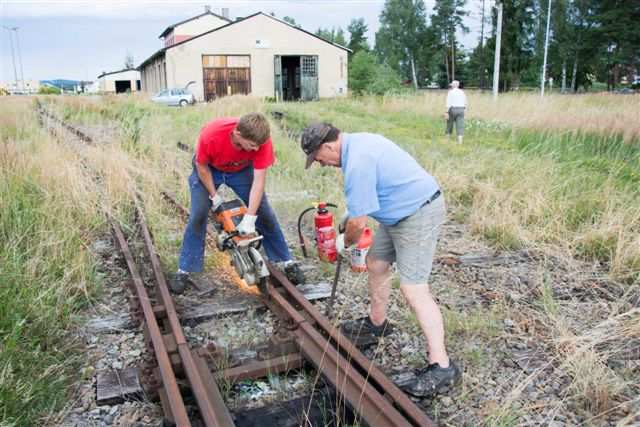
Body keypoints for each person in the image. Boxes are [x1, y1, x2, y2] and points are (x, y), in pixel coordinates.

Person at [300, 122, 460, 398]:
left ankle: (442, 366)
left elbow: (360, 224)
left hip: (418, 213)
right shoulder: (357, 144)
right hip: (397, 212)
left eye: (318, 158)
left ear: (328, 146)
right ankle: (377, 324)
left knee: (414, 289)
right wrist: (350, 216)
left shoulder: (357, 161)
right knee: (376, 263)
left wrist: (344, 241)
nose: (321, 164)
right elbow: (366, 202)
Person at [170, 113, 304, 293]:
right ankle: (184, 269)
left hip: (241, 170)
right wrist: (214, 196)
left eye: (258, 146)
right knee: (198, 214)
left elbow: (258, 182)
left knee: (264, 213)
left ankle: (287, 261)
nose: (256, 149)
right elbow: (201, 166)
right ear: (238, 135)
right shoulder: (211, 135)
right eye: (252, 146)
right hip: (210, 169)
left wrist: (250, 218)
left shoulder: (261, 140)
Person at [445, 80, 467, 144]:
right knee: (460, 125)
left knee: (449, 124)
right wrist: (464, 110)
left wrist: (446, 112)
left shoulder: (450, 92)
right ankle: (460, 142)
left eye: (451, 85)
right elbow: (465, 102)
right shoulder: (462, 92)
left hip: (453, 109)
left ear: (453, 85)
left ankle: (447, 140)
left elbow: (448, 103)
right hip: (461, 109)